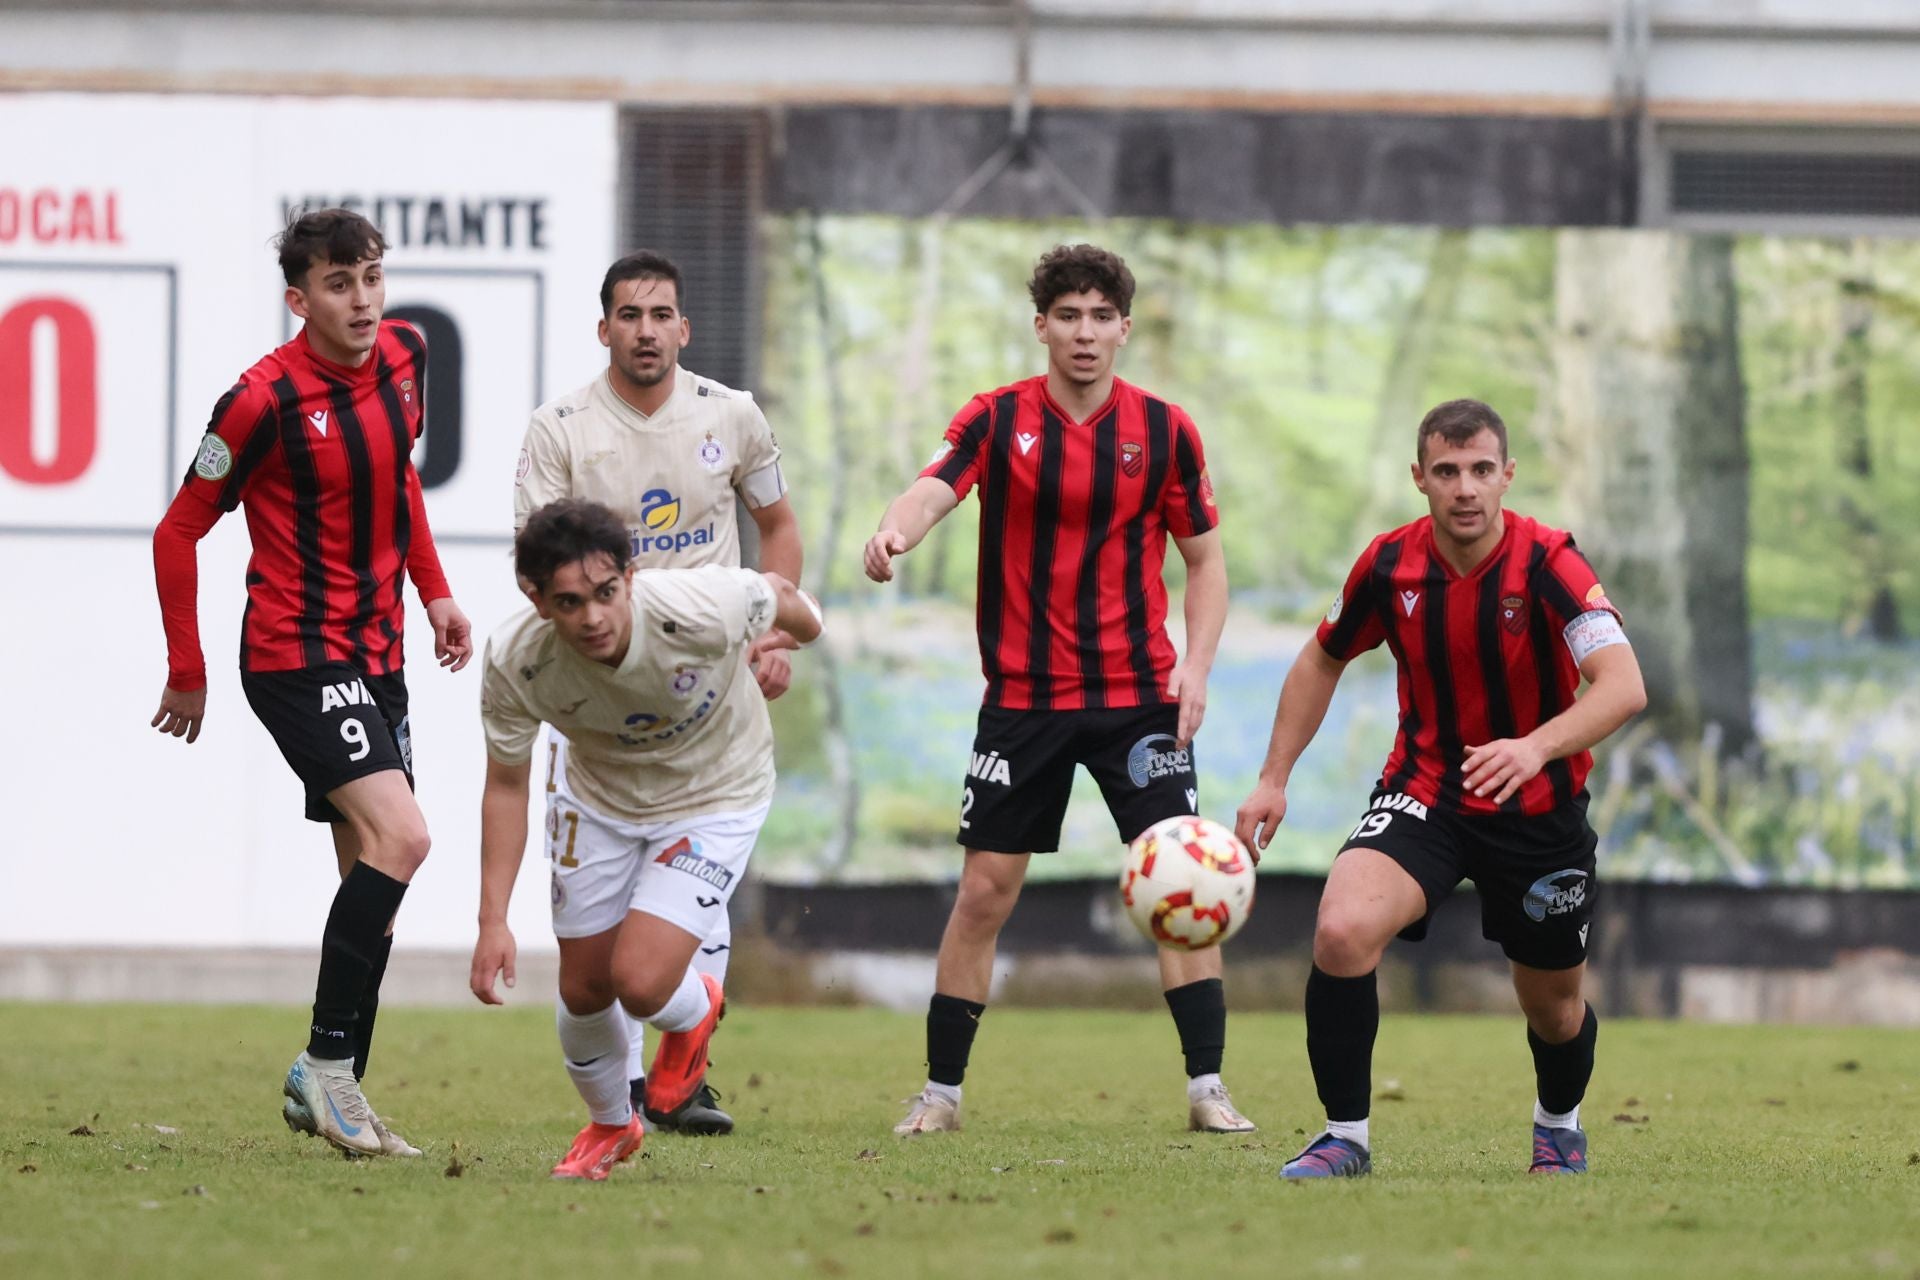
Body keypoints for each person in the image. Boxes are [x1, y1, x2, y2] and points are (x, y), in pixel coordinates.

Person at [864, 243, 1251, 1137]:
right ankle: (941, 1095)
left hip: (1138, 699)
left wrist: (1195, 668)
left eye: (1100, 317)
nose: (1085, 332)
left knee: (1181, 885)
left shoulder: (1166, 430)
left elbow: (1205, 563)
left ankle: (1207, 1091)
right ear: (1042, 326)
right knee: (985, 892)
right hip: (1026, 702)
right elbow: (933, 487)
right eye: (1067, 316)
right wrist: (894, 533)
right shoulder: (997, 418)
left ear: (1124, 328)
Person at [1233, 398, 1647, 1179]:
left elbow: (1622, 685)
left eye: (1482, 470)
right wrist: (1272, 778)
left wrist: (1535, 747)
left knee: (1554, 1009)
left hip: (1538, 812)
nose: (1466, 488)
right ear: (1420, 478)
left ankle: (1558, 1124)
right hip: (1429, 791)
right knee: (1342, 930)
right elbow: (1321, 658)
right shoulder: (1390, 564)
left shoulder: (1551, 564)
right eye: (1448, 472)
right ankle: (1344, 1138)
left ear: (1507, 476)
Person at [149, 207, 473, 1158]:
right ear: (300, 299)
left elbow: (401, 481)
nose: (364, 300)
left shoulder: (408, 356)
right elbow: (179, 529)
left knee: (369, 865)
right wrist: (187, 667)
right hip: (295, 652)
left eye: (372, 277)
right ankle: (327, 1071)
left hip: (380, 656)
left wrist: (438, 593)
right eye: (340, 284)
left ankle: (338, 1092)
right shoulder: (260, 400)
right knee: (406, 837)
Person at [512, 250, 805, 1134]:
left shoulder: (733, 416)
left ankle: (683, 1079)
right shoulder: (560, 429)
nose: (646, 330)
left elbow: (778, 527)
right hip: (602, 691)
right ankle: (631, 1086)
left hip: (709, 692)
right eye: (629, 315)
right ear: (604, 329)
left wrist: (776, 631)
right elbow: (536, 560)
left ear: (684, 327)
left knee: (689, 888)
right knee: (600, 938)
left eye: (661, 314)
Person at [467, 498, 821, 1180]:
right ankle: (610, 1125)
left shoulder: (701, 604)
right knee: (585, 988)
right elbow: (506, 786)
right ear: (536, 600)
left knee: (640, 979)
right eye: (569, 602)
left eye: (605, 593)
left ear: (630, 578)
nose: (593, 617)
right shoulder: (517, 662)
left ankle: (694, 1012)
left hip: (715, 793)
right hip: (598, 800)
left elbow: (781, 597)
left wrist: (793, 635)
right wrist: (493, 920)